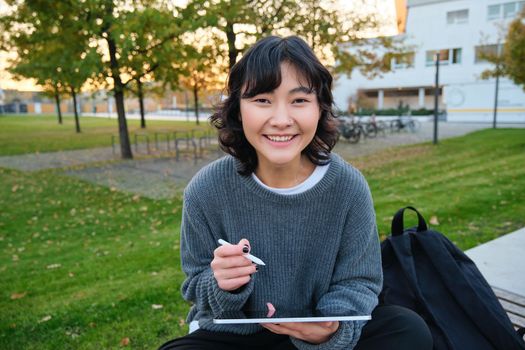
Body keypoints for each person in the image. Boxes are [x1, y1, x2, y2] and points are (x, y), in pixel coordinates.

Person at [159, 35, 432, 350]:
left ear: (320, 108)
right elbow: (196, 287)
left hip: (316, 333)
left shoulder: (348, 187)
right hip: (236, 337)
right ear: (238, 109)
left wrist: (330, 327)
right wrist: (222, 283)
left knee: (407, 329)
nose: (281, 120)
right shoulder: (206, 190)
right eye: (262, 100)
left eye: (299, 100)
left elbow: (360, 282)